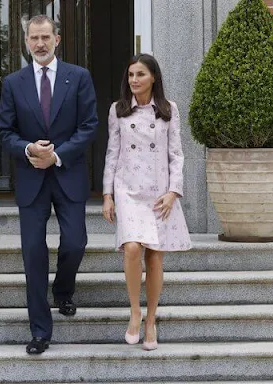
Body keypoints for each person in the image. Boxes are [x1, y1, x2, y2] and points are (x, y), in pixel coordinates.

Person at [0, 15, 98, 355]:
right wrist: (28, 150)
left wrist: (56, 156)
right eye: (33, 38)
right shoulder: (13, 83)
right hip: (30, 180)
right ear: (25, 42)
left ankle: (63, 289)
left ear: (58, 38)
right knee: (33, 254)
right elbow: (4, 131)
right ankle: (40, 330)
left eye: (45, 37)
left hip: (68, 175)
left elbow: (89, 126)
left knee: (75, 242)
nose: (39, 44)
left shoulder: (78, 77)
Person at [102, 53, 191, 351]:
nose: (134, 80)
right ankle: (135, 312)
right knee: (131, 248)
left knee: (154, 256)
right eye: (130, 75)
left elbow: (176, 154)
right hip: (127, 190)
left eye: (140, 74)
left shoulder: (169, 110)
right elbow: (112, 153)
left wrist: (173, 192)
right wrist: (107, 195)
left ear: (153, 77)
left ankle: (151, 320)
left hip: (158, 192)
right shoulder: (118, 110)